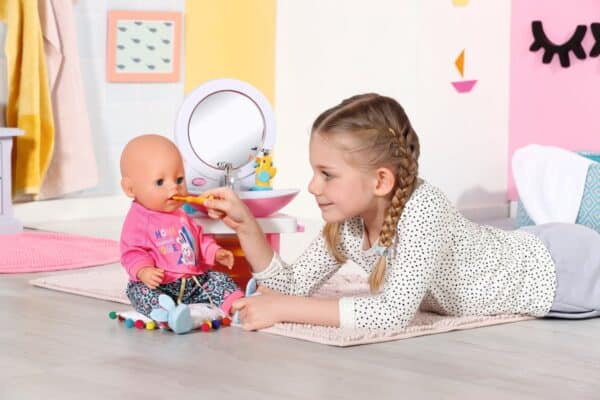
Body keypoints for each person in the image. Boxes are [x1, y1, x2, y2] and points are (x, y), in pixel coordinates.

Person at [202, 93, 600, 331]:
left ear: (380, 181)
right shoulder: (348, 226)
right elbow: (287, 289)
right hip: (532, 249)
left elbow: (391, 313)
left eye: (326, 174)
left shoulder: (424, 208)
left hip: (563, 270)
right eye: (314, 172)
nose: (313, 186)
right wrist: (246, 226)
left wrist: (283, 311)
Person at [119, 134, 243, 333]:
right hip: (161, 284)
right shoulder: (140, 219)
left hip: (193, 282)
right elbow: (132, 252)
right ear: (130, 188)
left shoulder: (181, 214)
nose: (174, 187)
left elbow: (198, 239)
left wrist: (216, 252)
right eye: (160, 182)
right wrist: (143, 271)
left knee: (218, 279)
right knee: (139, 292)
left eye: (179, 179)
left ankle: (237, 305)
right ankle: (168, 315)